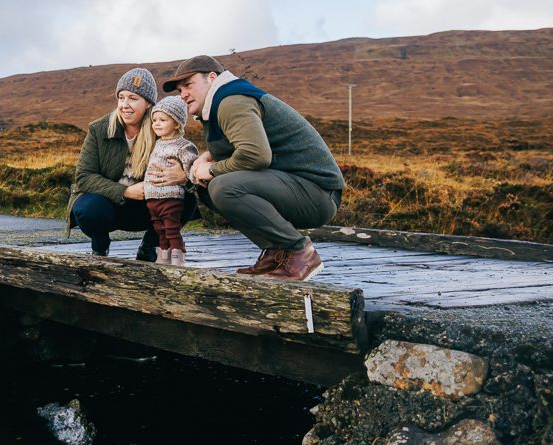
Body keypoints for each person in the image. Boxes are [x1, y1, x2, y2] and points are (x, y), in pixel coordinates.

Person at [150, 55, 345, 281]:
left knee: (223, 186)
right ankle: (276, 251)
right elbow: (238, 146)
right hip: (296, 188)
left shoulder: (232, 101)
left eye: (189, 85)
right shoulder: (220, 104)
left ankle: (300, 252)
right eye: (179, 89)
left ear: (212, 78)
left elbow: (256, 155)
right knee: (208, 187)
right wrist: (203, 161)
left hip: (319, 194)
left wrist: (210, 170)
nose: (183, 94)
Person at [66, 68, 164, 261]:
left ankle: (149, 246)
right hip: (107, 204)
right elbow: (84, 177)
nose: (125, 105)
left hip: (144, 207)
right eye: (121, 97)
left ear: (148, 103)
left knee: (185, 201)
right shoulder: (99, 129)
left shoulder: (161, 128)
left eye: (133, 98)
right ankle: (100, 246)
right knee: (87, 210)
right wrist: (125, 192)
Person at [144, 95, 199, 266]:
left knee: (171, 228)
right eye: (154, 119)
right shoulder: (157, 143)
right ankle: (164, 254)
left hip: (171, 197)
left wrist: (185, 176)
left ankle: (177, 255)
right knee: (159, 229)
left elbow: (191, 167)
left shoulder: (182, 146)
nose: (156, 123)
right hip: (153, 197)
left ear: (176, 123)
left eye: (162, 120)